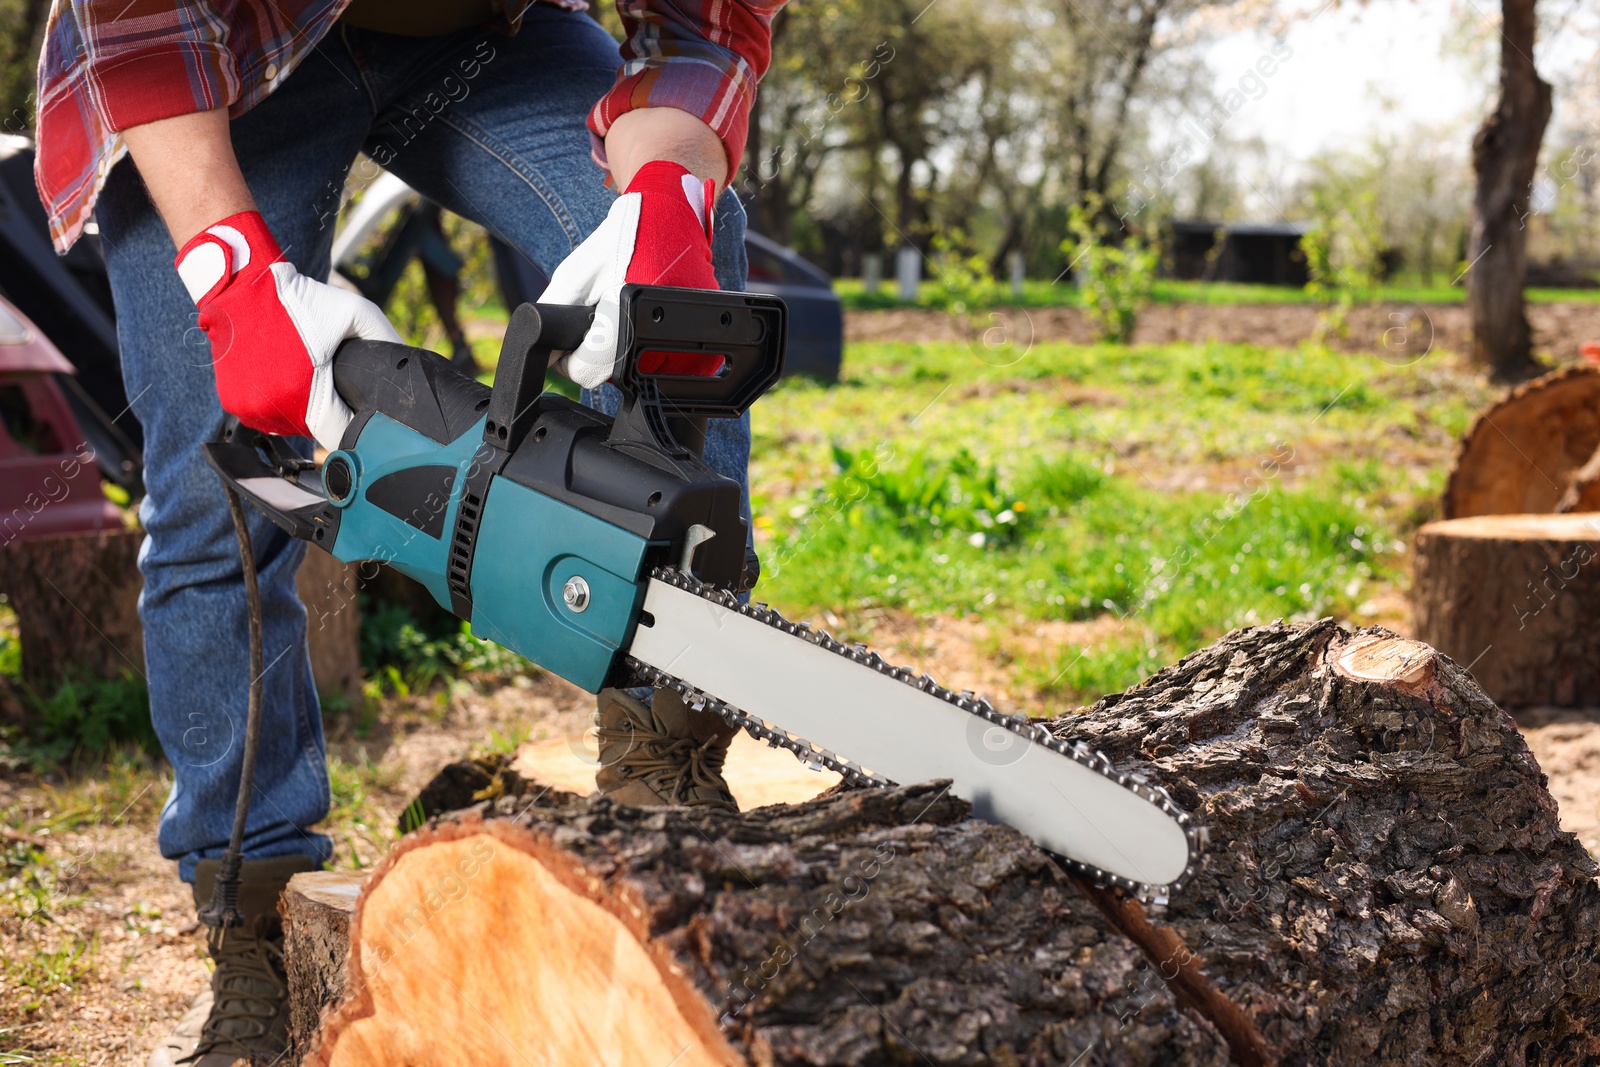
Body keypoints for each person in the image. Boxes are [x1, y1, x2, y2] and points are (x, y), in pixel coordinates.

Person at [32, 1, 784, 1062]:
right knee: (214, 483)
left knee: (683, 247)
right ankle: (254, 929)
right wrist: (234, 279)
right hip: (210, 62)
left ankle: (665, 759)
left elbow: (702, 23)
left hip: (484, 36)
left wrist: (667, 189)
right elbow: (144, 28)